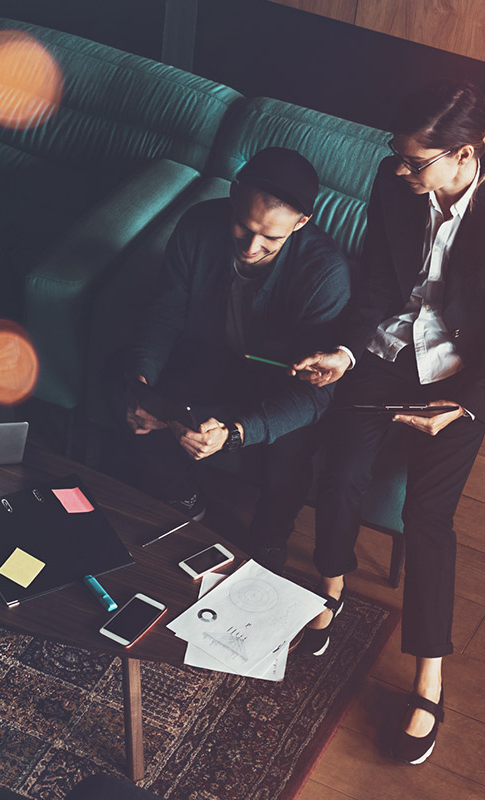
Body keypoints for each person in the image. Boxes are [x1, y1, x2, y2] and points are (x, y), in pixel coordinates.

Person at [292, 81, 485, 765]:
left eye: (415, 162)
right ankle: (331, 586)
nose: (400, 171)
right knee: (341, 464)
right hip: (391, 350)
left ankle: (430, 676)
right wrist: (345, 352)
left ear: (462, 156)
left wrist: (458, 406)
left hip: (462, 376)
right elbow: (376, 278)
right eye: (398, 158)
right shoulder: (393, 181)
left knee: (429, 519)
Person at [111, 147, 351, 572]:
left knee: (291, 444)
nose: (252, 246)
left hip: (280, 384)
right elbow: (166, 312)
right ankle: (184, 501)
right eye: (243, 226)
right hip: (209, 358)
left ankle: (271, 538)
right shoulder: (199, 224)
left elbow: (315, 398)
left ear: (301, 223)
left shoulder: (326, 273)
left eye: (272, 238)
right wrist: (143, 384)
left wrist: (236, 433)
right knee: (149, 403)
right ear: (234, 195)